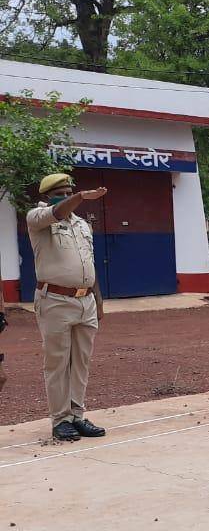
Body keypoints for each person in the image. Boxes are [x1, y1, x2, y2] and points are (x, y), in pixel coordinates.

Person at [26, 174, 108, 441]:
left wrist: (97, 297)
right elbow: (58, 213)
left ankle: (77, 415)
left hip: (85, 300)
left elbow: (89, 261)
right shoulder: (37, 218)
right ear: (49, 195)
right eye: (61, 191)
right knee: (57, 363)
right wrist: (81, 197)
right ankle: (60, 419)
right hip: (55, 301)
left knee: (81, 362)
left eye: (70, 190)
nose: (67, 194)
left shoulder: (83, 225)